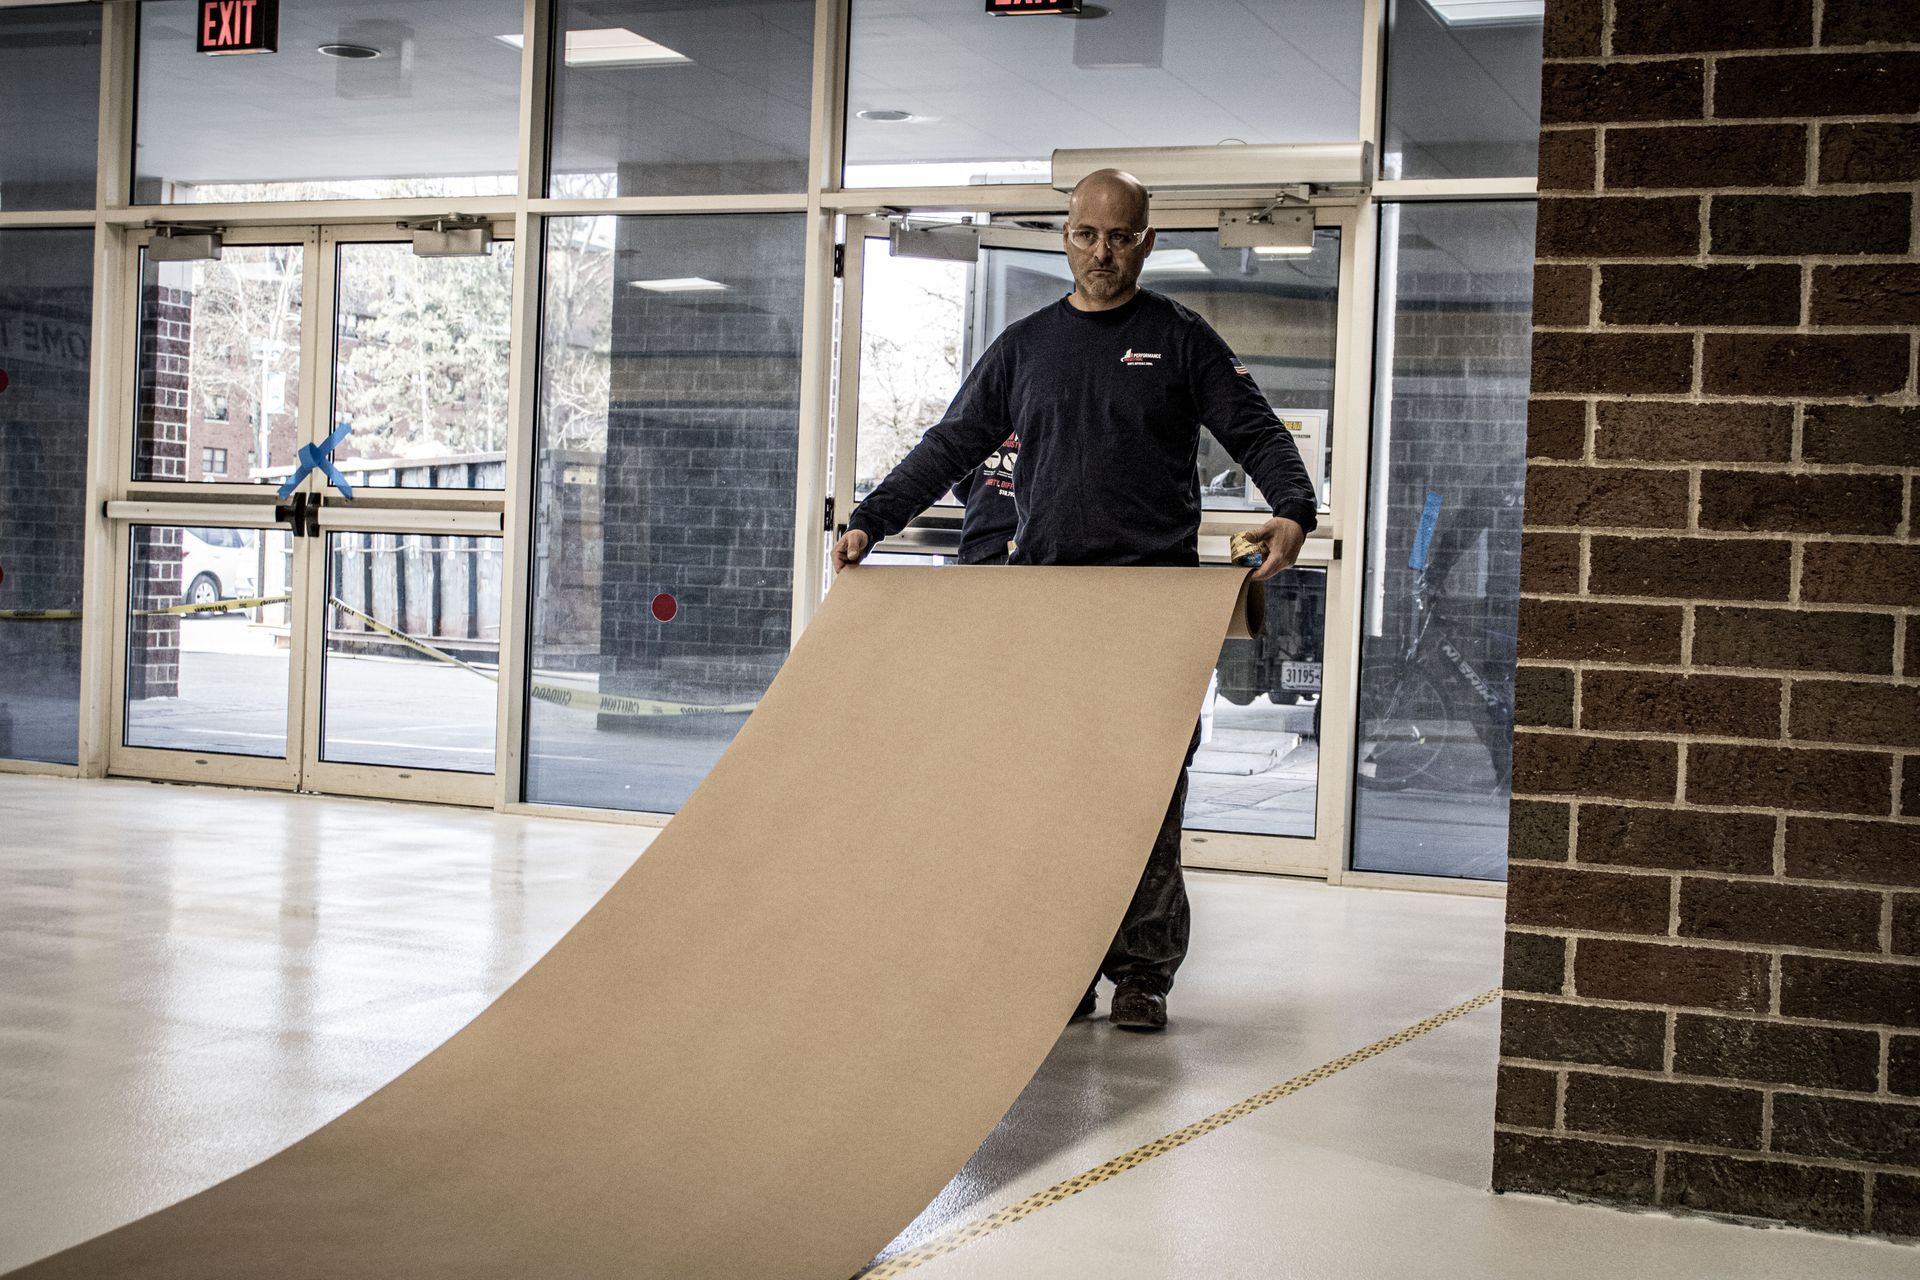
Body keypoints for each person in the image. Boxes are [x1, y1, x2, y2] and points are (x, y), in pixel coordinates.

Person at [832, 169, 1315, 1031]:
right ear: (1066, 236)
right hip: (1045, 609)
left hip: (1150, 610)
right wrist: (874, 520)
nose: (1104, 253)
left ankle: (1142, 977)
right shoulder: (1025, 348)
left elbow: (1258, 431)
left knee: (1149, 796)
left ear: (1148, 242)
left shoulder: (1179, 338)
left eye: (1122, 237)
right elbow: (950, 444)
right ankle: (1062, 965)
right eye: (1089, 235)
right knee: (1053, 795)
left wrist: (1291, 508)